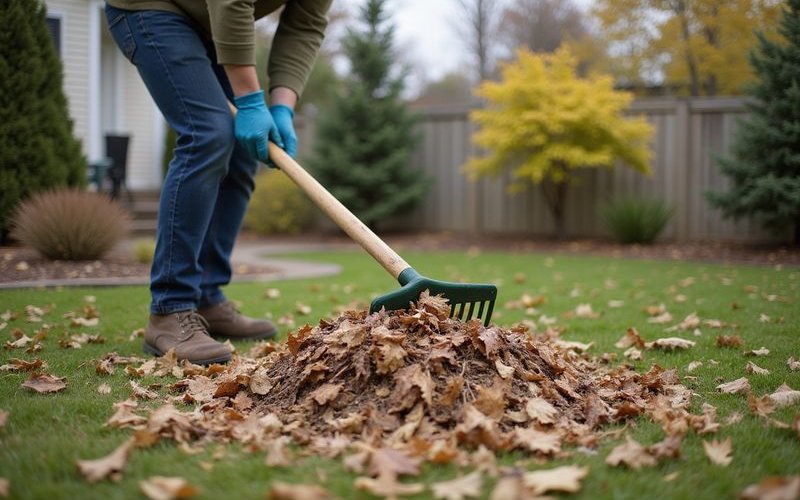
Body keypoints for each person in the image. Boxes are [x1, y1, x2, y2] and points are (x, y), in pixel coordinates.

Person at [103, 0, 332, 365]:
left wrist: (282, 107)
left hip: (208, 25)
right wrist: (251, 102)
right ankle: (169, 308)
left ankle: (206, 297)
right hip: (152, 8)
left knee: (242, 149)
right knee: (208, 132)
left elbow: (304, 26)